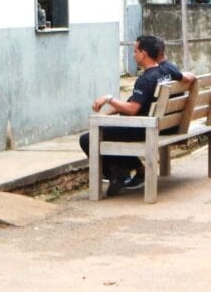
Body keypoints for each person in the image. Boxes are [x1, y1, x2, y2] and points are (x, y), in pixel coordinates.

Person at [79, 35, 193, 196]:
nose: (133, 55)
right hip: (163, 124)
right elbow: (187, 77)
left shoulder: (145, 80)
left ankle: (117, 175)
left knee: (88, 138)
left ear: (144, 54)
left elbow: (132, 108)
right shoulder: (167, 70)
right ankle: (134, 171)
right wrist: (109, 113)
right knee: (111, 129)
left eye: (135, 51)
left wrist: (108, 99)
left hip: (145, 128)